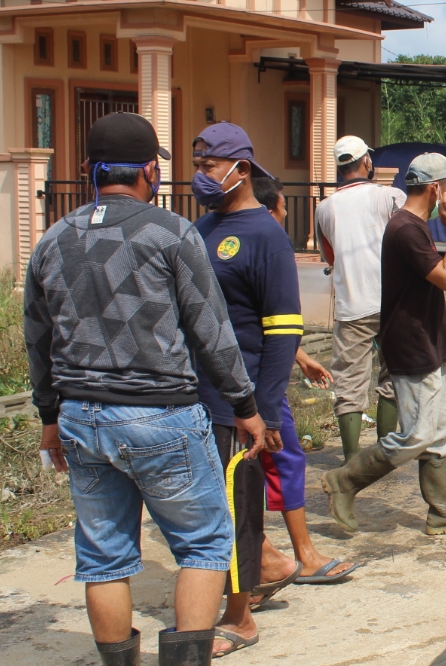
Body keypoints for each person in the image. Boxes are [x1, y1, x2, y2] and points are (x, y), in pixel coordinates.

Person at [24, 112, 267, 666]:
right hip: (161, 415)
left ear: (88, 170)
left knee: (104, 559)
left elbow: (37, 340)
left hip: (82, 418)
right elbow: (212, 330)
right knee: (205, 545)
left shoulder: (53, 239)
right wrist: (246, 406)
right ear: (150, 171)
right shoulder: (171, 232)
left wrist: (48, 416)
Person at [323, 153, 446, 535]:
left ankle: (444, 511)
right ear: (435, 189)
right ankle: (346, 480)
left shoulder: (409, 225)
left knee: (437, 431)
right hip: (412, 345)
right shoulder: (407, 229)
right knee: (416, 435)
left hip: (425, 339)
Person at [188, 123, 307, 657]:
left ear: (240, 168)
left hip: (242, 402)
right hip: (196, 395)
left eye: (209, 164)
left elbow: (283, 329)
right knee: (211, 506)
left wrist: (265, 407)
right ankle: (266, 567)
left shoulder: (265, 235)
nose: (201, 174)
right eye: (198, 162)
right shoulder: (201, 227)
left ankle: (239, 619)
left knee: (239, 505)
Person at [250, 176, 360, 584]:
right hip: (259, 379)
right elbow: (272, 323)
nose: (284, 215)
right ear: (267, 211)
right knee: (283, 456)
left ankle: (259, 554)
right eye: (281, 208)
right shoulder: (268, 246)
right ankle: (299, 555)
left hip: (232, 375)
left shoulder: (212, 238)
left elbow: (252, 320)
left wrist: (302, 357)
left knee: (247, 465)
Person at [314, 135, 406, 461]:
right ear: (367, 161)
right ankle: (385, 451)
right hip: (392, 302)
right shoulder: (390, 196)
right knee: (393, 374)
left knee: (349, 385)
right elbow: (409, 234)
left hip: (351, 305)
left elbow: (329, 255)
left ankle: (352, 459)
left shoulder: (324, 208)